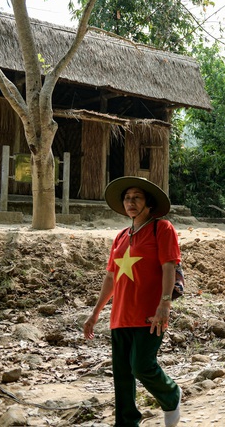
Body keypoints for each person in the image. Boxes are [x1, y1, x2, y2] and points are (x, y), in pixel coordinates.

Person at [83, 176, 182, 427]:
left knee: (142, 366)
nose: (131, 202)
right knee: (122, 376)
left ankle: (171, 394)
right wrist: (95, 314)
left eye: (137, 197)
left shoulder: (162, 228)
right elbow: (110, 278)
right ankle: (126, 423)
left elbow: (169, 266)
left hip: (150, 313)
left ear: (148, 203)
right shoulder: (120, 237)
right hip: (120, 316)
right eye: (127, 198)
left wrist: (165, 303)